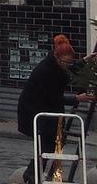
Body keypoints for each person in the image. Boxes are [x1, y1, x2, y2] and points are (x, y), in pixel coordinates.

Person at [17, 34, 95, 183]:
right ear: (56, 57)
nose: (67, 65)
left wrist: (85, 60)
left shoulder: (58, 65)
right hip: (34, 111)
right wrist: (77, 98)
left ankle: (35, 173)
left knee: (53, 143)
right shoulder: (45, 70)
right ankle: (33, 174)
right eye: (64, 62)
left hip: (47, 110)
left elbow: (70, 68)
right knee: (47, 143)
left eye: (69, 62)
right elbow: (52, 97)